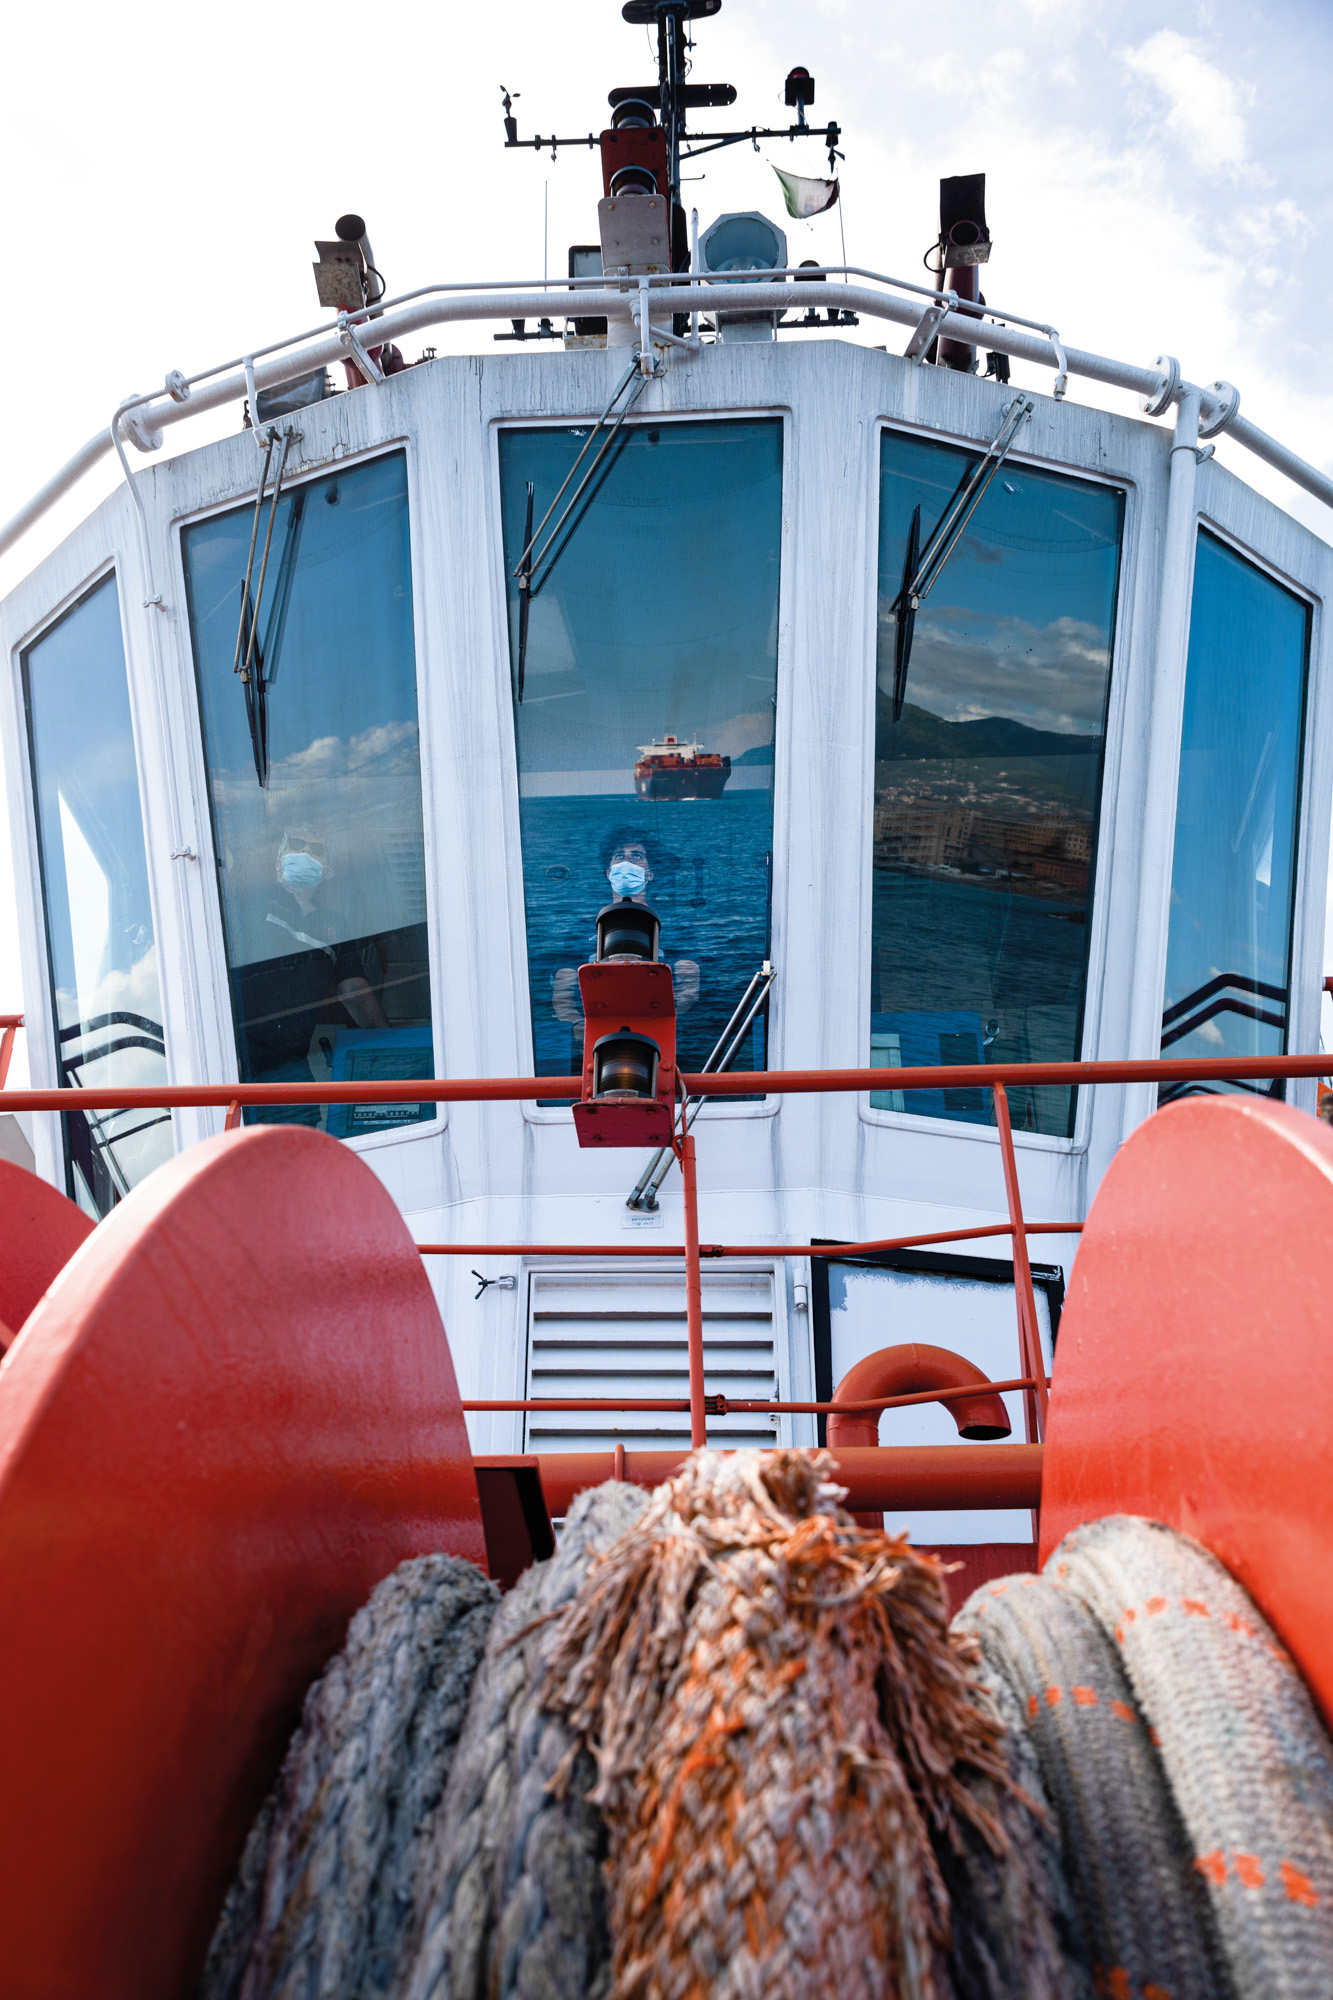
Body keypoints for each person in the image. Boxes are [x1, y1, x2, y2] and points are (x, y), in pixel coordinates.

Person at [236, 830, 389, 1122]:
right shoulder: (249, 905)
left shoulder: (335, 923)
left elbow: (355, 990)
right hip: (243, 1063)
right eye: (296, 845)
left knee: (302, 1151)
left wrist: (394, 1046)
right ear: (279, 861)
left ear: (327, 871)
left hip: (292, 1068)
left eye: (316, 849)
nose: (305, 853)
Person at [551, 827, 700, 1025]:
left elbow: (689, 987)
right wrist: (580, 1026)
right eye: (619, 855)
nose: (627, 862)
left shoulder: (678, 927)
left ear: (650, 874)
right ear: (608, 872)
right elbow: (562, 994)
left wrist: (659, 1023)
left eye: (637, 856)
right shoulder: (581, 930)